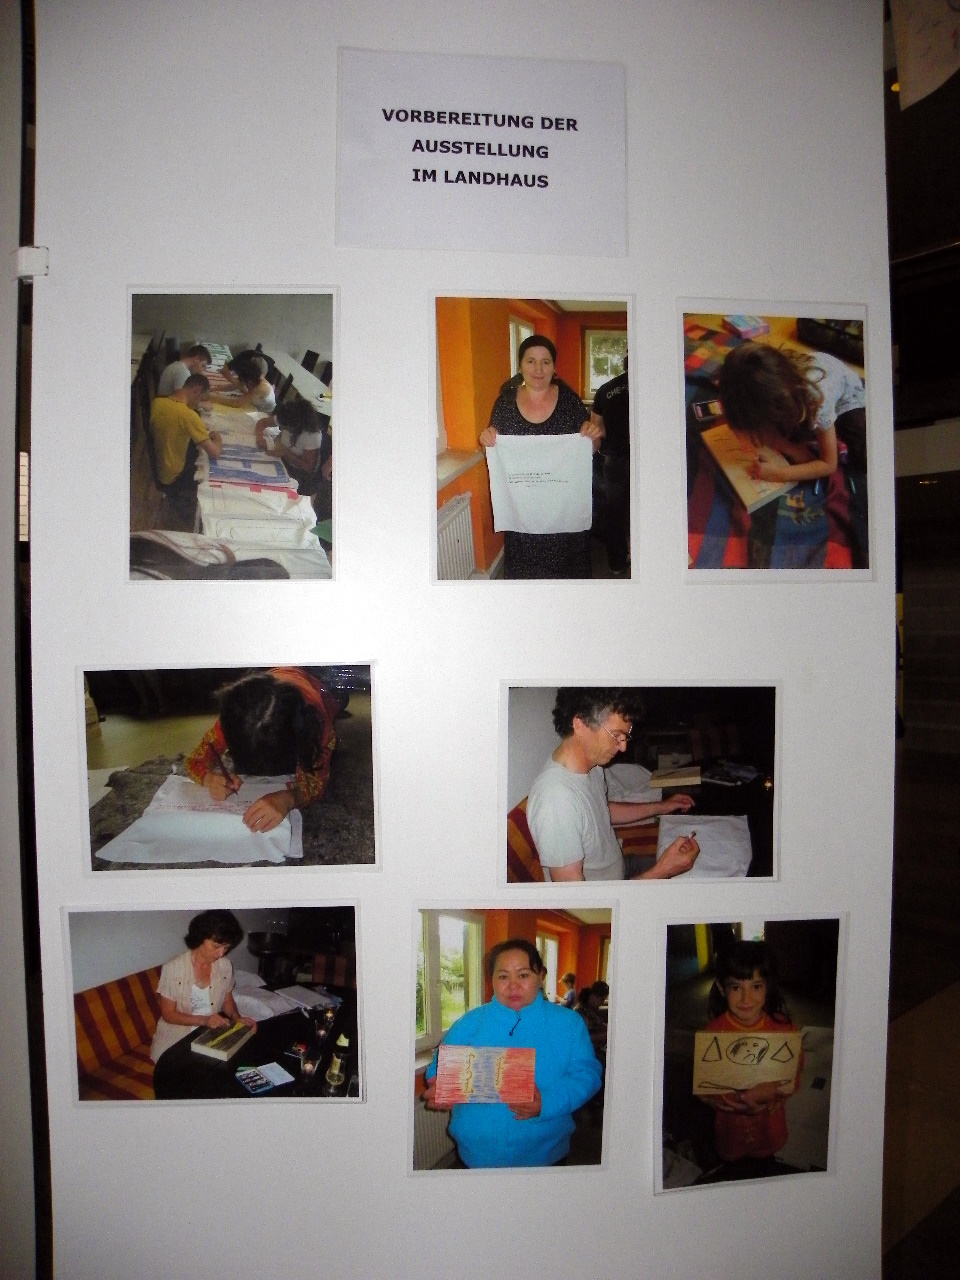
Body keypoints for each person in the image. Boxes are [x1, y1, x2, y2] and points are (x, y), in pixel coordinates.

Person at [423, 939, 602, 1168]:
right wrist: (440, 1088)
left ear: (541, 976)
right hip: (477, 1153)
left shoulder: (568, 1024)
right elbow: (439, 1068)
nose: (513, 986)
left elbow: (587, 1075)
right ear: (492, 980)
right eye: (503, 976)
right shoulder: (469, 1023)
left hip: (545, 1154)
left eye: (523, 975)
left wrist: (547, 1103)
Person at [526, 688, 699, 882]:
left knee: (700, 867)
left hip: (620, 867)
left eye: (625, 736)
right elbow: (578, 900)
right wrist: (662, 871)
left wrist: (662, 806)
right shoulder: (555, 802)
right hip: (610, 894)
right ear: (580, 724)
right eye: (616, 735)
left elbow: (601, 811)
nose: (623, 747)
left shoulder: (592, 765)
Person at [479, 334, 603, 579]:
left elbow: (590, 448)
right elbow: (496, 454)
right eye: (531, 361)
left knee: (568, 582)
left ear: (554, 367)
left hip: (563, 516)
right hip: (523, 514)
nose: (538, 369)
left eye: (545, 362)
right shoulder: (504, 404)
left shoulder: (569, 402)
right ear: (520, 365)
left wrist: (592, 436)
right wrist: (487, 440)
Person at [184, 667, 341, 833]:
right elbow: (193, 761)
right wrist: (210, 779)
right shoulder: (237, 717)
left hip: (318, 687)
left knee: (339, 699)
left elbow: (316, 784)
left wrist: (290, 798)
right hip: (277, 676)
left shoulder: (316, 724)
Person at [701, 940, 802, 1168]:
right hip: (730, 1132)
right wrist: (738, 1100)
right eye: (736, 988)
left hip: (769, 1129)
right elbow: (705, 1086)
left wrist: (769, 1096)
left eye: (756, 986)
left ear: (767, 987)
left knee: (765, 1168)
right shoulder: (713, 1033)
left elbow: (794, 1075)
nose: (746, 999)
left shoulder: (785, 1030)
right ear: (721, 988)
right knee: (733, 1173)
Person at [717, 341, 866, 487]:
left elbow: (828, 464)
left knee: (863, 456)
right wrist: (790, 448)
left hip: (848, 399)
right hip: (803, 390)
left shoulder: (817, 401)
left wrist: (779, 474)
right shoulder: (770, 377)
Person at [150, 910, 256, 1063]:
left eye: (226, 947)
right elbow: (168, 1014)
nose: (221, 953)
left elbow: (227, 1000)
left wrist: (236, 1017)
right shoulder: (173, 968)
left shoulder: (225, 965)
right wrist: (204, 1020)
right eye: (216, 946)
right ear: (200, 938)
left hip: (211, 1032)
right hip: (177, 1036)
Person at [591, 354, 630, 574]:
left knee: (615, 514)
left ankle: (616, 563)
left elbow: (597, 430)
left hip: (615, 461)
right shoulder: (655, 388)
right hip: (647, 462)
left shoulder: (606, 390)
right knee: (648, 511)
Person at [149, 373, 222, 487]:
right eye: (201, 398)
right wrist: (218, 438)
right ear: (197, 391)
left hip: (159, 465)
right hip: (173, 474)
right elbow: (215, 453)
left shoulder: (158, 402)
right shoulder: (188, 415)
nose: (198, 403)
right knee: (207, 465)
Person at [255, 399, 330, 493]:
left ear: (296, 426)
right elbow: (262, 422)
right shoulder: (286, 417)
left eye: (285, 427)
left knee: (268, 486)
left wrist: (286, 453)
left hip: (298, 471)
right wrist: (260, 437)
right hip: (282, 458)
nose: (281, 428)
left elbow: (309, 467)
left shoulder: (312, 435)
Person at [208, 352, 276, 413]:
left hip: (264, 411)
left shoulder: (261, 388)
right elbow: (233, 386)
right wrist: (213, 389)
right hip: (256, 402)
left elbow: (237, 404)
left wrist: (214, 398)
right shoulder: (252, 377)